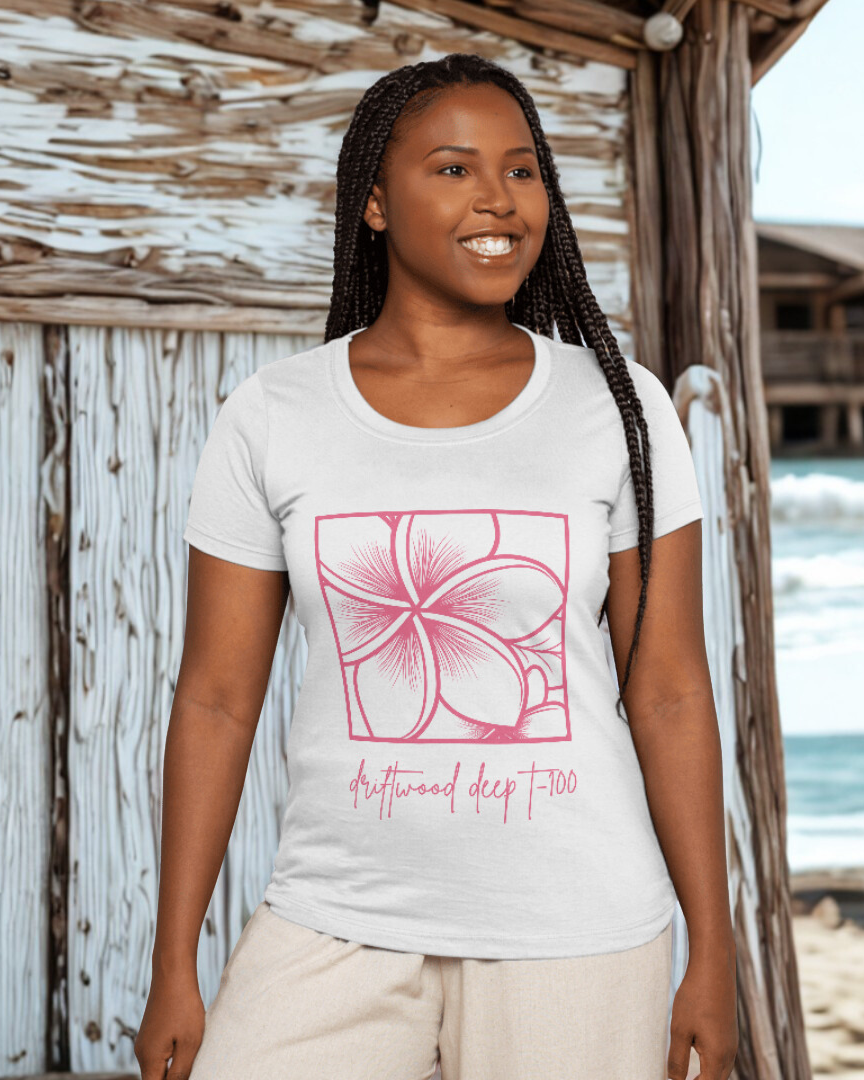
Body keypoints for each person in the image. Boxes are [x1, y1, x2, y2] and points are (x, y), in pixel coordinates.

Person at [134, 52, 738, 1080]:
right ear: (374, 201)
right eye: (453, 170)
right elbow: (218, 700)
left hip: (578, 932)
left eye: (523, 169)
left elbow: (670, 691)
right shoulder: (273, 416)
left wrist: (714, 951)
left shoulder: (618, 408)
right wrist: (173, 961)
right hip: (335, 921)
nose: (499, 200)